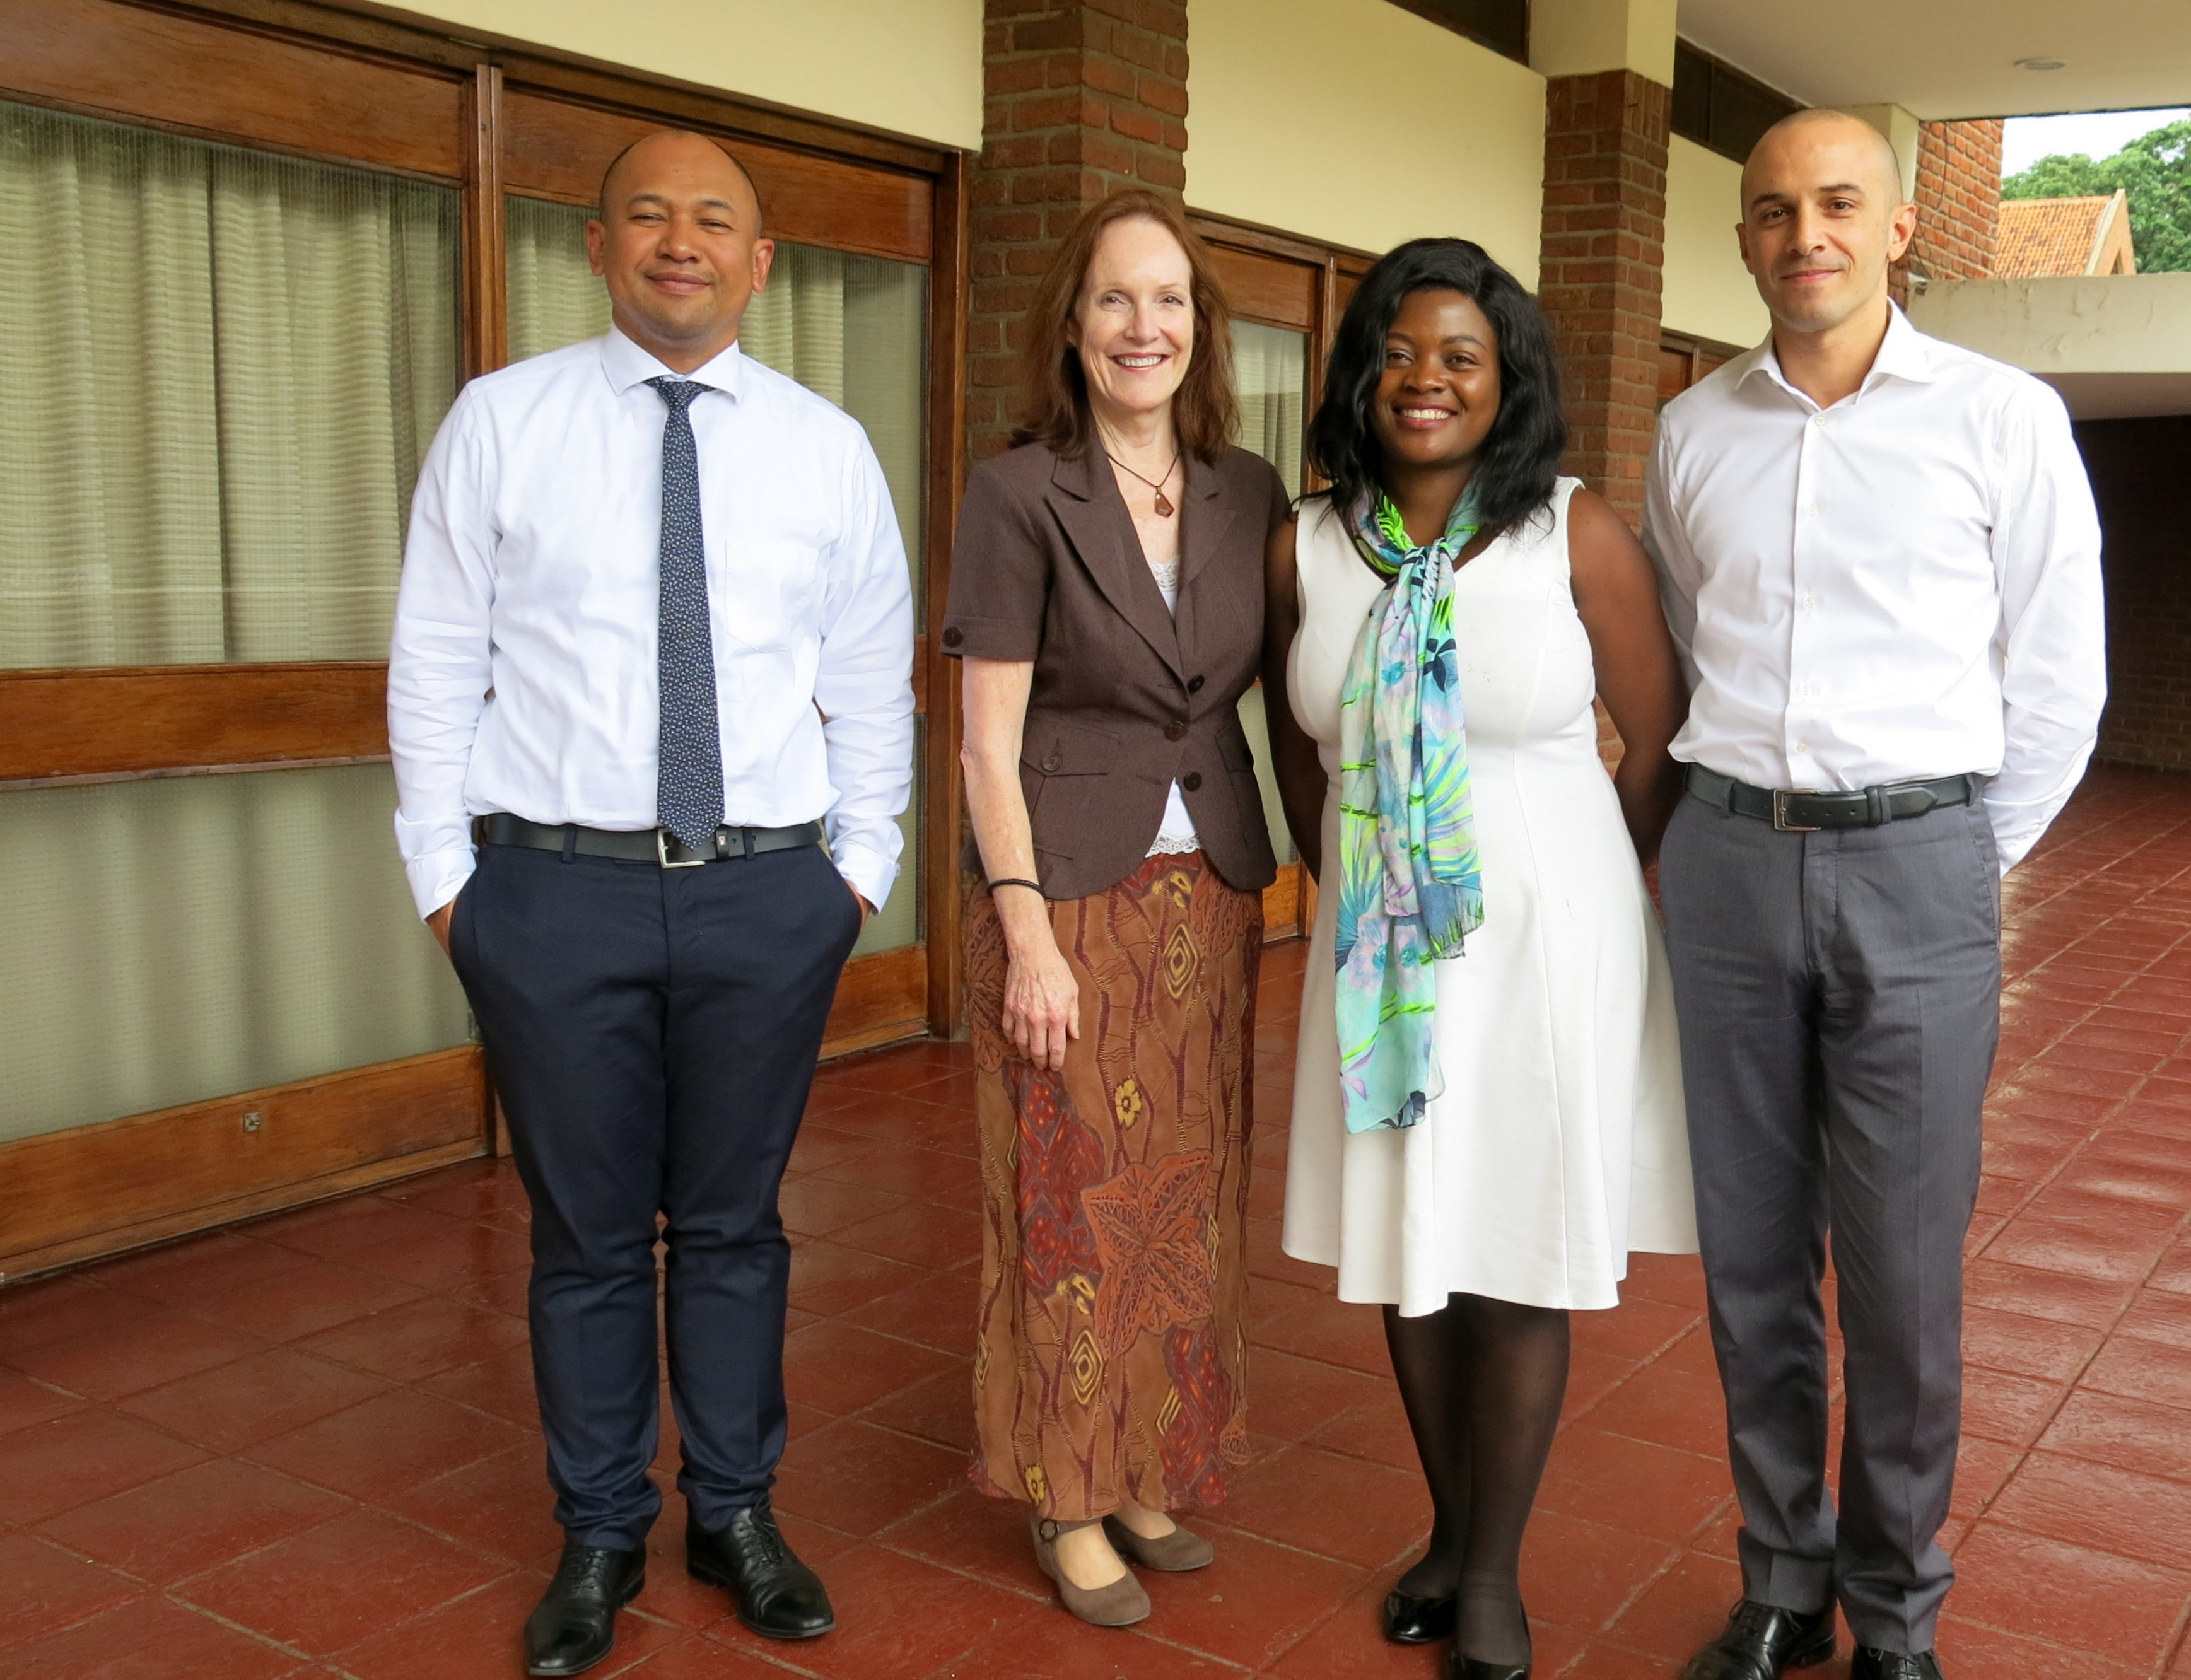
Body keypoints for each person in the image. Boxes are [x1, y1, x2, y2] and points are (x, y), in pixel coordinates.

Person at [387, 130, 913, 1676]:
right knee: (586, 1237)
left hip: (766, 895)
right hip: (553, 892)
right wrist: (446, 882)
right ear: (599, 244)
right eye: (648, 217)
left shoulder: (825, 447)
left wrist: (855, 872)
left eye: (716, 223)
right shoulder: (502, 424)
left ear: (760, 262)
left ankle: (735, 1512)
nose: (679, 243)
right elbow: (432, 657)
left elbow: (869, 677)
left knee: (740, 1226)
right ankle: (601, 1526)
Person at [1645, 110, 2106, 1680]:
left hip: (1920, 865)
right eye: (1770, 211)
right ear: (1741, 239)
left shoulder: (2000, 418)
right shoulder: (1693, 429)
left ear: (1899, 226)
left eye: (1836, 203)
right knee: (1751, 1264)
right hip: (1722, 863)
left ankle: (1895, 1612)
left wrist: (1963, 858)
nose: (1803, 236)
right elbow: (1679, 646)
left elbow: (2058, 677)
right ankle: (1781, 1583)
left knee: (1903, 1280)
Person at [1267, 238, 1698, 1680]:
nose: (1423, 379)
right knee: (1409, 1241)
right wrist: (1349, 881)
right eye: (1397, 351)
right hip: (1381, 946)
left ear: (1504, 376)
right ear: (1360, 372)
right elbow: (1296, 737)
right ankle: (1447, 1536)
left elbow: (1655, 738)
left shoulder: (1568, 533)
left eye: (1458, 354)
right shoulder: (1310, 541)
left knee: (1508, 1245)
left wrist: (1560, 869)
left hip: (1542, 931)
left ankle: (1493, 1573)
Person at [941, 189, 1288, 1629]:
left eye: (1168, 302)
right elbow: (981, 739)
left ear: (1198, 329)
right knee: (1071, 1206)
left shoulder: (1244, 490)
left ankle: (1151, 1466)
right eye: (1112, 300)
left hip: (1206, 890)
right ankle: (1067, 1494)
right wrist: (1021, 931)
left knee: (1184, 1207)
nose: (1141, 327)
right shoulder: (1020, 493)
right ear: (1071, 326)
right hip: (1065, 901)